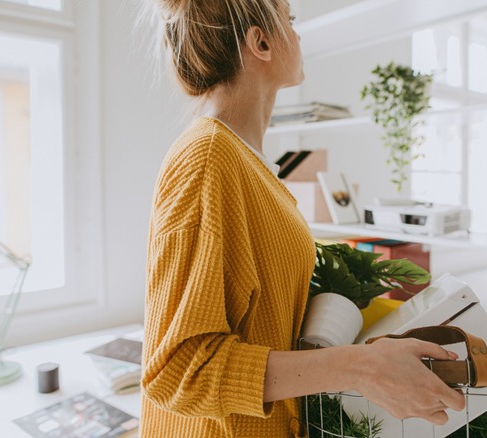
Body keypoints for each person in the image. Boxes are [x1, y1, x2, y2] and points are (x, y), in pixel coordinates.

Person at [140, 0, 466, 436]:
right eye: (290, 21)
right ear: (260, 42)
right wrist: (359, 368)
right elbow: (177, 370)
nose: (298, 34)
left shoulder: (249, 162)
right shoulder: (208, 159)